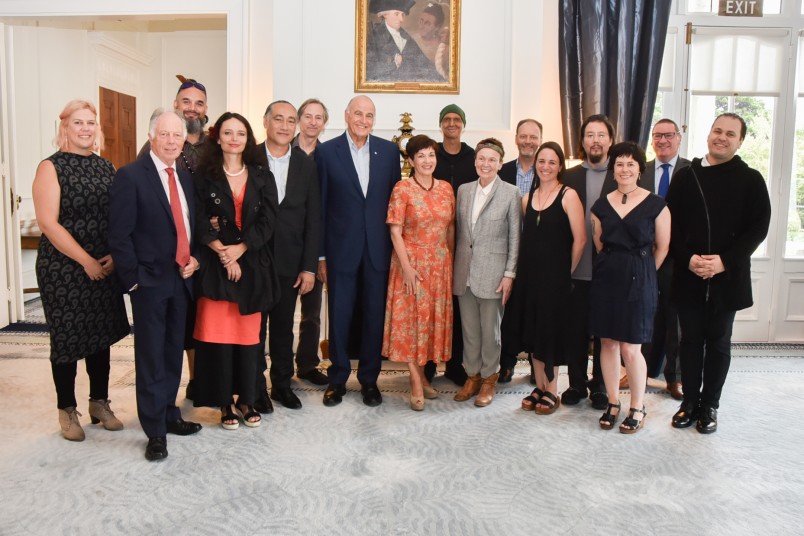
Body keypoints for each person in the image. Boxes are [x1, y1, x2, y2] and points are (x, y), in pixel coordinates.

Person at [666, 113, 771, 434]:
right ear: (708, 134)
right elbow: (670, 225)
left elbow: (758, 228)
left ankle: (710, 405)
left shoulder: (751, 179)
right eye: (717, 131)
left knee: (719, 344)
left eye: (730, 133)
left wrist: (725, 261)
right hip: (689, 275)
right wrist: (689, 260)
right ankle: (689, 403)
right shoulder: (685, 177)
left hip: (728, 278)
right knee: (690, 343)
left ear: (740, 141)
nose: (721, 137)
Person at [33, 99, 131, 442]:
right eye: (78, 123)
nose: (86, 128)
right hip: (63, 267)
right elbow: (49, 223)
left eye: (91, 123)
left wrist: (115, 257)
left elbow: (119, 218)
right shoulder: (51, 167)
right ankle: (67, 409)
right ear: (65, 129)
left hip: (104, 263)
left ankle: (99, 403)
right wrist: (85, 260)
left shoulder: (106, 167)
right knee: (68, 337)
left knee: (100, 334)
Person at [109, 109, 202, 461]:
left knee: (172, 353)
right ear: (151, 137)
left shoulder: (184, 175)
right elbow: (119, 236)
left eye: (177, 136)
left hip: (182, 280)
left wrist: (195, 258)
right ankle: (154, 431)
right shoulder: (131, 176)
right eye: (165, 134)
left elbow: (189, 224)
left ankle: (169, 413)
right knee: (150, 357)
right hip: (148, 283)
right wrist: (133, 281)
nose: (171, 141)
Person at [191, 112, 279, 430]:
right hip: (216, 268)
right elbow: (198, 219)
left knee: (247, 340)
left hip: (253, 265)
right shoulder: (204, 176)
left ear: (247, 138)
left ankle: (247, 398)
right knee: (218, 340)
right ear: (218, 137)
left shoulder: (261, 175)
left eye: (240, 133)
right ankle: (225, 403)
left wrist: (241, 250)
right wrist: (223, 253)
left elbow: (269, 220)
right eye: (228, 133)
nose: (234, 139)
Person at [315, 95, 401, 407]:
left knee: (373, 317)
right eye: (358, 114)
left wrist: (395, 251)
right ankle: (336, 380)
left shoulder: (389, 151)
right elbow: (320, 208)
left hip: (378, 251)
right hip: (340, 252)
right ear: (347, 115)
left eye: (369, 115)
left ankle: (369, 380)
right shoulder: (326, 152)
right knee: (339, 316)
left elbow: (396, 207)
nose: (363, 120)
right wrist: (321, 255)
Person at [589, 142, 671, 434]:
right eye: (619, 164)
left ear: (640, 168)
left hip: (640, 277)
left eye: (631, 164)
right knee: (607, 343)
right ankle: (613, 402)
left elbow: (662, 248)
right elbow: (599, 244)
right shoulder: (600, 206)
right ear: (613, 169)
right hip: (607, 277)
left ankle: (637, 405)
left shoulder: (656, 204)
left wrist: (643, 272)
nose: (625, 169)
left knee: (631, 347)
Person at [137, 78, 209, 401]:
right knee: (162, 335)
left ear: (205, 109)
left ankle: (196, 382)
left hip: (201, 246)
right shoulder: (154, 149)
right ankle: (160, 402)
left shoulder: (214, 145)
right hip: (162, 256)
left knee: (195, 318)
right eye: (186, 101)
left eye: (199, 103)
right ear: (176, 104)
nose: (192, 107)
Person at [502, 142, 586, 414]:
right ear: (535, 164)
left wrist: (565, 272)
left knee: (550, 333)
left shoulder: (568, 195)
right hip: (530, 278)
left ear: (560, 166)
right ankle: (539, 386)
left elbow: (580, 240)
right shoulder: (528, 198)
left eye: (552, 162)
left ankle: (552, 390)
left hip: (556, 280)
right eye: (542, 161)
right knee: (534, 332)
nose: (546, 167)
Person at [382, 135, 455, 411]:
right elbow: (394, 231)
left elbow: (450, 229)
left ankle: (424, 375)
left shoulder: (446, 189)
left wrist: (451, 261)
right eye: (421, 156)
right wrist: (408, 269)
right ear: (411, 161)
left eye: (431, 155)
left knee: (431, 322)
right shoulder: (403, 189)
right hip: (410, 262)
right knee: (412, 323)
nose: (427, 161)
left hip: (439, 264)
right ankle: (414, 379)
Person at [257, 100, 320, 411]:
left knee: (283, 327)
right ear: (266, 121)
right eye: (278, 119)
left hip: (290, 260)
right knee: (253, 328)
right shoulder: (249, 156)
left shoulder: (306, 163)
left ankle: (281, 384)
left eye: (290, 120)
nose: (284, 126)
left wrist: (309, 267)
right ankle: (254, 386)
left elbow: (313, 218)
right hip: (253, 260)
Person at [453, 138, 521, 407]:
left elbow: (515, 237)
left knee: (490, 331)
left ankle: (489, 379)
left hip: (494, 273)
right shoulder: (464, 190)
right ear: (475, 161)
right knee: (470, 331)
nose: (486, 163)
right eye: (481, 158)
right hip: (464, 272)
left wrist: (509, 274)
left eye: (492, 159)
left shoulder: (510, 193)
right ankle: (472, 376)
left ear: (500, 163)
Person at [628, 119, 690, 400]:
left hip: (678, 258)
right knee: (642, 315)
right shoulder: (642, 170)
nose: (662, 140)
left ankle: (674, 378)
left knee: (674, 319)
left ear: (678, 138)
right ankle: (639, 370)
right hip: (643, 255)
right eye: (657, 135)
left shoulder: (691, 170)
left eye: (668, 135)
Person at [561, 114, 617, 410]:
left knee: (605, 333)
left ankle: (601, 388)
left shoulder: (622, 174)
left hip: (608, 272)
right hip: (576, 269)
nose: (595, 140)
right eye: (589, 135)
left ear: (610, 139)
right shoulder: (568, 176)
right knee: (576, 333)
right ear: (582, 141)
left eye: (601, 135)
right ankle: (576, 385)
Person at [424, 103, 477, 386]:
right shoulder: (432, 155)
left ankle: (456, 364)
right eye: (447, 119)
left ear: (463, 124)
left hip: (468, 240)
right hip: (435, 241)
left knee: (459, 306)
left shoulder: (473, 157)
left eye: (457, 119)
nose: (452, 123)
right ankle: (430, 363)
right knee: (434, 306)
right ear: (441, 124)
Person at [498, 118, 543, 383]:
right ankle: (507, 361)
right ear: (516, 138)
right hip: (505, 250)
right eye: (523, 136)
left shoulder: (550, 171)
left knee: (536, 307)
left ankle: (537, 363)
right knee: (508, 308)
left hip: (538, 251)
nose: (528, 141)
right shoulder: (501, 171)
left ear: (540, 139)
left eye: (533, 136)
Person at [292, 98, 331, 387]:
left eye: (319, 118)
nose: (313, 122)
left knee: (312, 312)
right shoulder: (280, 149)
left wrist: (321, 255)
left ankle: (307, 364)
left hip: (314, 244)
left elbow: (327, 208)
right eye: (308, 116)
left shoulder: (327, 156)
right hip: (282, 244)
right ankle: (275, 368)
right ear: (298, 119)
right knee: (276, 314)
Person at [366, 0, 444, 83]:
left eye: (403, 14)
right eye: (396, 14)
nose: (401, 19)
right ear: (385, 14)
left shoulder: (406, 36)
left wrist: (445, 83)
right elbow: (369, 71)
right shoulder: (374, 34)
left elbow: (424, 65)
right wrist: (394, 62)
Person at [411, 2, 448, 79]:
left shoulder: (442, 48)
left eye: (427, 23)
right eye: (421, 21)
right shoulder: (411, 39)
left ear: (437, 27)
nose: (422, 26)